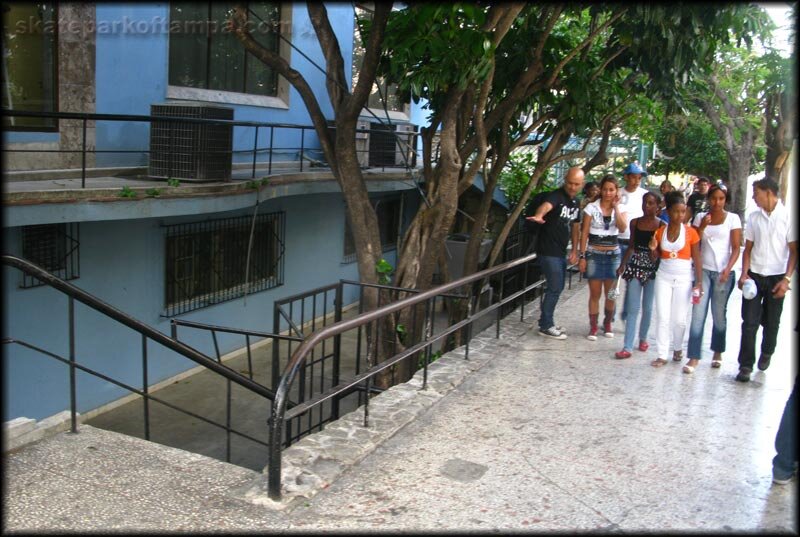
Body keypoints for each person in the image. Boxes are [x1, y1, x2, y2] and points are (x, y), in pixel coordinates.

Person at [735, 178, 797, 382]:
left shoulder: (788, 217)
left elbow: (794, 252)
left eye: (756, 193)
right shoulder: (754, 217)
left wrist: (787, 279)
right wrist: (744, 274)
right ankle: (745, 365)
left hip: (777, 276)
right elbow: (748, 249)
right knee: (749, 322)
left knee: (772, 322)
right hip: (755, 274)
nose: (754, 197)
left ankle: (767, 351)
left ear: (769, 192)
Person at [683, 185, 742, 373]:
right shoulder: (701, 218)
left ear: (726, 200)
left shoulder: (733, 219)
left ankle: (717, 351)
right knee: (698, 314)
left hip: (723, 274)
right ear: (708, 199)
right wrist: (701, 227)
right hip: (703, 272)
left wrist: (728, 269)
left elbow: (735, 248)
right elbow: (693, 242)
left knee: (718, 314)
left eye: (721, 198)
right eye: (714, 198)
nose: (717, 202)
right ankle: (693, 356)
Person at [527, 166, 584, 340]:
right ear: (564, 180)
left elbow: (575, 227)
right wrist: (539, 215)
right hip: (547, 250)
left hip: (560, 251)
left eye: (576, 184)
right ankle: (546, 325)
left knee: (556, 287)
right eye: (569, 183)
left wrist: (575, 250)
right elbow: (546, 206)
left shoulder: (575, 202)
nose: (572, 187)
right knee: (555, 287)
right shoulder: (557, 196)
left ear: (582, 184)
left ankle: (547, 321)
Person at [648, 191, 703, 367]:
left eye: (683, 211)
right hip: (663, 276)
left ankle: (678, 347)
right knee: (663, 316)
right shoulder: (659, 232)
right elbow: (655, 258)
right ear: (669, 211)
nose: (680, 215)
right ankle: (662, 354)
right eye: (676, 211)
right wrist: (653, 249)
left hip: (684, 277)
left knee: (679, 319)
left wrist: (699, 282)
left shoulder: (691, 233)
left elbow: (697, 257)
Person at [577, 175, 627, 340]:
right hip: (594, 254)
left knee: (611, 293)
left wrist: (616, 208)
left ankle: (607, 322)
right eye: (605, 189)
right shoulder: (591, 208)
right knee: (595, 292)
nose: (607, 193)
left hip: (613, 254)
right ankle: (593, 325)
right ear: (600, 189)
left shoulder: (620, 208)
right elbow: (584, 232)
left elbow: (622, 227)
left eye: (611, 190)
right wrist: (582, 255)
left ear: (616, 191)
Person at [614, 192, 661, 359]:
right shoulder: (635, 223)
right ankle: (627, 346)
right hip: (635, 265)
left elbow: (660, 252)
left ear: (658, 206)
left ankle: (643, 337)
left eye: (651, 203)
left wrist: (654, 250)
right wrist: (623, 264)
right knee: (633, 308)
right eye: (645, 202)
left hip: (652, 268)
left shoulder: (661, 225)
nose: (647, 206)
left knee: (647, 308)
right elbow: (632, 245)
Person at [617, 162, 650, 322]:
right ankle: (610, 315)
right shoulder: (618, 193)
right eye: (634, 177)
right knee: (612, 280)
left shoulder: (645, 194)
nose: (637, 181)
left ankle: (627, 311)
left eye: (639, 178)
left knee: (632, 281)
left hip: (634, 244)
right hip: (617, 241)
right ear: (626, 177)